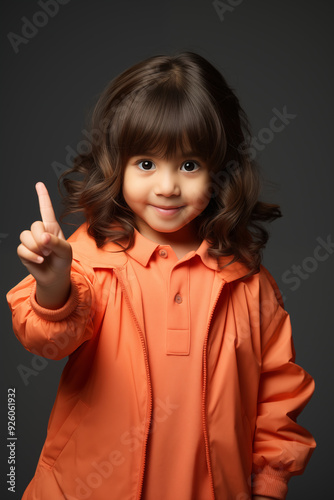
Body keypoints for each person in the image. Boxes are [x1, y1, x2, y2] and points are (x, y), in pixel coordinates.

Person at [7, 52, 316, 500]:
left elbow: (278, 394)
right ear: (118, 165)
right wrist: (54, 285)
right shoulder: (88, 259)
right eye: (147, 164)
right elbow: (45, 340)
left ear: (220, 169)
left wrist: (269, 482)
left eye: (189, 165)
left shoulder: (248, 284)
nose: (168, 186)